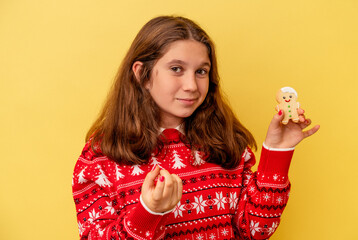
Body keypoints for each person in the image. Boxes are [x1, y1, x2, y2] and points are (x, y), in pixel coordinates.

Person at [72, 16, 319, 240]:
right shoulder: (99, 157)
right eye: (176, 69)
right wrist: (149, 213)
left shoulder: (226, 142)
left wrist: (277, 152)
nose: (192, 85)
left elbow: (256, 230)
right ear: (142, 74)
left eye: (201, 71)